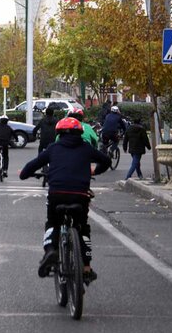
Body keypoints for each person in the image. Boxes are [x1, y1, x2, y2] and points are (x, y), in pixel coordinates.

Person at [19, 117, 111, 284]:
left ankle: (50, 250)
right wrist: (94, 171)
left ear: (59, 133)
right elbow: (106, 161)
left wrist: (23, 174)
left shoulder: (53, 148)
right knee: (83, 229)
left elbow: (31, 166)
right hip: (80, 195)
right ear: (80, 133)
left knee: (52, 223)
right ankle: (86, 267)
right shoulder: (86, 148)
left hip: (57, 194)